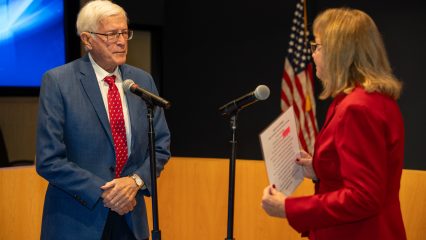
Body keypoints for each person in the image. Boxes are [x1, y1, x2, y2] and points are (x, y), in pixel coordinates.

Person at [261, 8, 406, 240]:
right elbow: (368, 171)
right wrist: (319, 169)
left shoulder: (357, 107)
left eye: (317, 46)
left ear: (339, 53)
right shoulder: (373, 99)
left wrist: (289, 208)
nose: (313, 55)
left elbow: (363, 197)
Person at [36, 1, 171, 239]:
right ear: (87, 40)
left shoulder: (142, 82)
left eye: (124, 32)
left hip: (131, 219)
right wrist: (105, 192)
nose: (121, 41)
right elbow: (49, 160)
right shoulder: (58, 82)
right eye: (111, 34)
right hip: (76, 221)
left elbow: (160, 147)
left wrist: (135, 182)